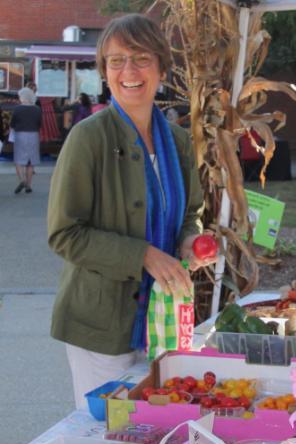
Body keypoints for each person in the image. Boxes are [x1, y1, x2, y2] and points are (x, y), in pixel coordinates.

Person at [47, 14, 213, 409]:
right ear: (104, 70)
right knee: (111, 436)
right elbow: (64, 233)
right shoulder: (88, 138)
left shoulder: (177, 140)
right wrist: (142, 254)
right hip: (100, 326)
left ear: (160, 67)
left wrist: (192, 240)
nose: (129, 71)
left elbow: (191, 212)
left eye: (140, 58)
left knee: (159, 431)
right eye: (116, 60)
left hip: (165, 319)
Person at [10, 87, 41, 194]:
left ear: (22, 97)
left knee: (18, 160)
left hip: (20, 135)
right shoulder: (37, 109)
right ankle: (28, 185)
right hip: (34, 135)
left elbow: (12, 123)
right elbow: (39, 123)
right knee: (30, 162)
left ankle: (22, 180)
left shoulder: (17, 109)